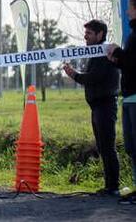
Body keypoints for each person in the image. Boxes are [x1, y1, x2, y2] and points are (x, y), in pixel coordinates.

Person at [63, 20, 120, 196]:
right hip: (97, 106)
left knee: (107, 146)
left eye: (89, 33)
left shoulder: (104, 53)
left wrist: (74, 75)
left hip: (105, 105)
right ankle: (109, 185)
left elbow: (94, 78)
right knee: (103, 146)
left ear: (100, 35)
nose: (85, 36)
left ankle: (113, 187)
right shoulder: (95, 54)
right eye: (85, 33)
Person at [107, 0, 136, 204]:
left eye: (130, 7)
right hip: (127, 96)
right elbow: (128, 65)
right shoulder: (132, 34)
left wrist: (118, 53)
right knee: (131, 147)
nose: (126, 11)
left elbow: (133, 63)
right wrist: (116, 59)